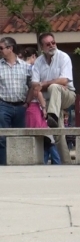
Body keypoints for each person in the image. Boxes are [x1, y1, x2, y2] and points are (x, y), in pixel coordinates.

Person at [31, 33, 77, 164]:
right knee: (57, 133)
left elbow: (64, 80)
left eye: (53, 42)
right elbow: (35, 86)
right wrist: (44, 86)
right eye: (48, 44)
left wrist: (44, 84)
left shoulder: (63, 57)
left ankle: (52, 116)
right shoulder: (38, 62)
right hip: (51, 101)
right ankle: (66, 162)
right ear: (42, 47)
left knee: (54, 87)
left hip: (67, 94)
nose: (52, 46)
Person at [22, 47, 60, 165]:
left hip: (32, 108)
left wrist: (28, 103)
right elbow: (36, 91)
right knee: (46, 137)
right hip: (35, 108)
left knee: (43, 138)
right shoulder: (34, 69)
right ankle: (53, 161)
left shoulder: (26, 70)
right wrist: (43, 108)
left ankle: (46, 161)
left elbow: (33, 92)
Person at [0, 37, 29, 165]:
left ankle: (19, 164)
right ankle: (3, 165)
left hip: (20, 106)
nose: (0, 51)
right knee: (2, 138)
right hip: (3, 105)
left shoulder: (26, 67)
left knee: (19, 136)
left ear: (10, 48)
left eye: (1, 48)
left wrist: (27, 102)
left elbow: (33, 86)